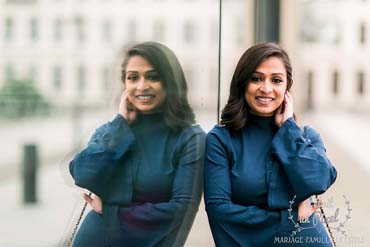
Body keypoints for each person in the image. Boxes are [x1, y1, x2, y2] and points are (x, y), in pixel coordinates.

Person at [69, 41, 205, 247]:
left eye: (153, 77)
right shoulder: (113, 130)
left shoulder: (190, 138)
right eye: (133, 77)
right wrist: (120, 124)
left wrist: (111, 211)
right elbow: (82, 174)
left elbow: (181, 209)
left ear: (170, 82)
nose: (142, 86)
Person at [204, 42, 337, 247]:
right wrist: (291, 219)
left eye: (276, 80)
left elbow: (319, 180)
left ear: (286, 89)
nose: (266, 88)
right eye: (256, 78)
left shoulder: (306, 137)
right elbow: (219, 211)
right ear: (243, 83)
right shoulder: (221, 140)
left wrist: (288, 129)